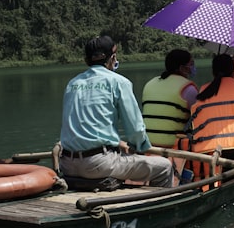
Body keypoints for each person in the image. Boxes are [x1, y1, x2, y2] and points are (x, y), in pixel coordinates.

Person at [58, 36, 174, 187]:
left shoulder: (72, 84)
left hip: (67, 165)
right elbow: (135, 129)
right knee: (164, 167)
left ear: (87, 60)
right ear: (113, 58)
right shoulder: (118, 82)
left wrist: (118, 143)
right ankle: (158, 208)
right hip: (99, 164)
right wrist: (139, 146)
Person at [141, 49, 198, 148]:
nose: (192, 67)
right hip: (173, 148)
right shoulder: (188, 89)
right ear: (182, 68)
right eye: (191, 64)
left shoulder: (149, 84)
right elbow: (198, 119)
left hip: (148, 146)